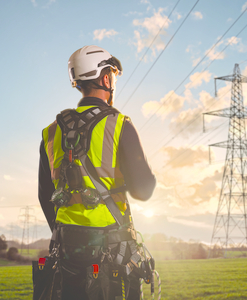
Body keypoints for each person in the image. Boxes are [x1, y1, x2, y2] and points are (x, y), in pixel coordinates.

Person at [38, 45, 156, 300]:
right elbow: (144, 190)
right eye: (112, 75)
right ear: (105, 78)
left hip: (64, 251)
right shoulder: (119, 124)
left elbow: (45, 195)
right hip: (110, 253)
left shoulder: (51, 132)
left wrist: (70, 238)